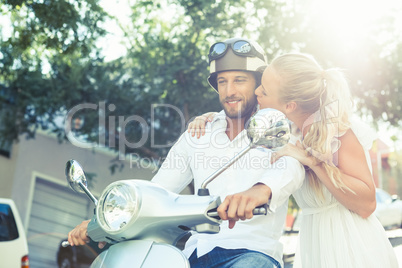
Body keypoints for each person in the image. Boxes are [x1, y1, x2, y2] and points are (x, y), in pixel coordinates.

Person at [67, 38, 305, 268]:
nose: (229, 91)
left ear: (258, 84)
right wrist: (107, 221)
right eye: (222, 82)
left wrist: (260, 191)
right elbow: (157, 191)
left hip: (252, 252)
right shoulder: (198, 132)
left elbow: (292, 167)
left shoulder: (276, 128)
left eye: (239, 80)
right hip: (193, 253)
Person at [188, 53, 399, 267]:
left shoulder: (338, 131)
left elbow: (367, 204)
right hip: (315, 242)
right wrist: (210, 119)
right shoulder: (292, 133)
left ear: (290, 105)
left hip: (351, 245)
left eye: (265, 90)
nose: (256, 91)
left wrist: (313, 162)